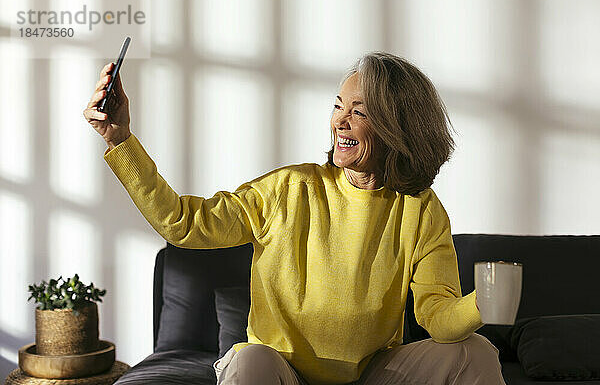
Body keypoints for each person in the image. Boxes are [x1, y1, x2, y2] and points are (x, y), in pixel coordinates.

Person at [83, 51, 505, 385]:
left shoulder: (421, 209)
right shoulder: (290, 188)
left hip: (372, 373)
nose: (340, 121)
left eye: (359, 111)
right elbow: (183, 223)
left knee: (474, 351)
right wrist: (120, 139)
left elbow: (436, 315)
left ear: (398, 127)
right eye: (339, 106)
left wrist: (482, 305)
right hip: (282, 372)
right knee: (248, 363)